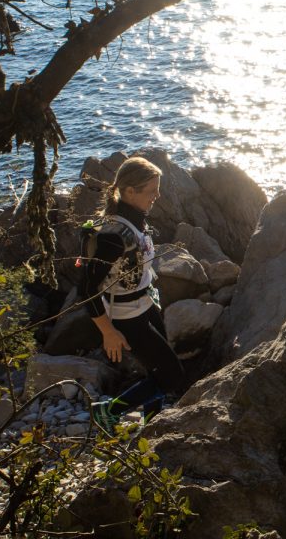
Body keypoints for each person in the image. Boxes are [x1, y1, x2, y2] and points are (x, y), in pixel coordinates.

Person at [81, 157, 186, 433]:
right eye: (151, 190)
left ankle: (151, 425)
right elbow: (86, 289)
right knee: (173, 376)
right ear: (130, 192)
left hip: (146, 304)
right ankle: (108, 411)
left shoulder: (135, 221)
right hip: (127, 317)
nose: (158, 196)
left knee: (159, 369)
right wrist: (108, 332)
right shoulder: (113, 236)